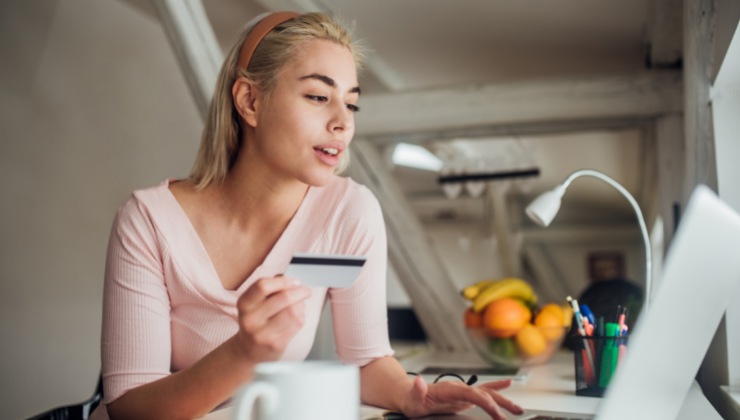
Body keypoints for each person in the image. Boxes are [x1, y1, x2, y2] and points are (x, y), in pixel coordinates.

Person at [96, 11, 524, 420]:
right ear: (249, 100)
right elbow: (129, 408)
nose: (343, 122)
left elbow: (366, 360)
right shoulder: (149, 221)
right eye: (319, 97)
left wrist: (412, 395)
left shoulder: (349, 213)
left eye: (351, 104)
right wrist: (244, 352)